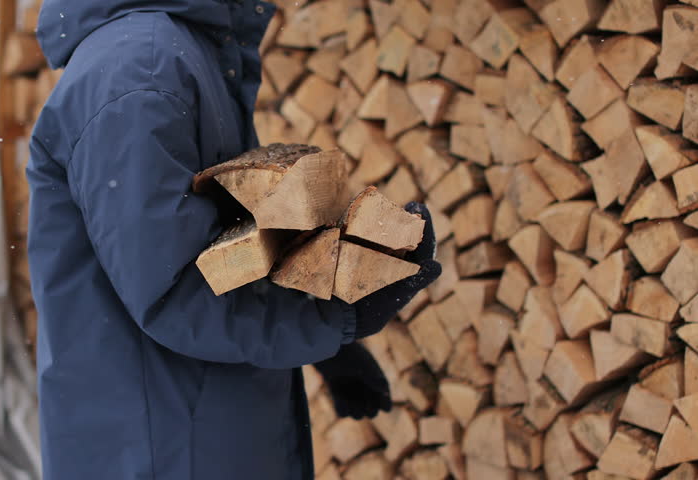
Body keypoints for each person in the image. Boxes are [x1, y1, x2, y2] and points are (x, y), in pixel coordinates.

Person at [26, 0, 441, 478]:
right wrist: (333, 319)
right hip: (165, 450)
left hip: (199, 430)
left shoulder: (173, 53)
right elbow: (175, 288)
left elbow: (230, 244)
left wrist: (335, 342)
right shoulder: (139, 71)